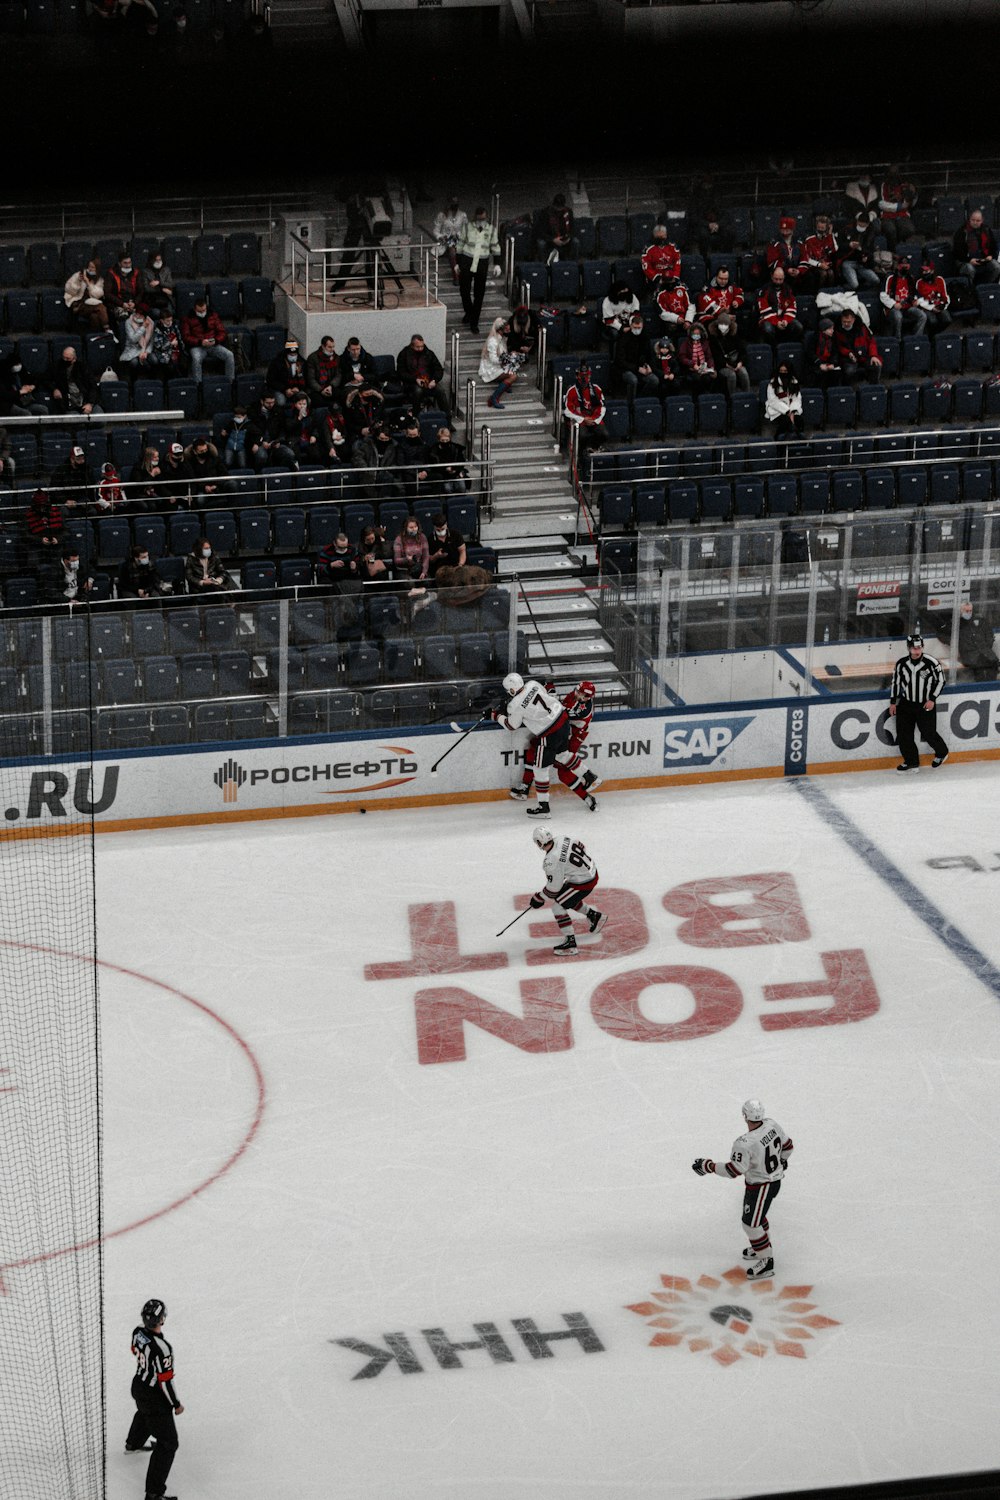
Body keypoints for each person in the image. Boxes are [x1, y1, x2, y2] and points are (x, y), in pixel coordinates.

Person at [692, 1098, 794, 1282]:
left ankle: (766, 1260)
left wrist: (708, 1166)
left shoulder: (744, 1143)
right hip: (771, 1182)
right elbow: (788, 1147)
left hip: (762, 1186)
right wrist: (783, 1161)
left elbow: (733, 1170)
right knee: (758, 1217)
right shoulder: (772, 1125)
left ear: (745, 1116)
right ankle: (760, 1248)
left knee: (750, 1224)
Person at [491, 671, 600, 817]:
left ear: (511, 689)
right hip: (563, 724)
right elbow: (546, 698)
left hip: (555, 733)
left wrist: (495, 715)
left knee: (542, 769)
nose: (578, 695)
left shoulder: (516, 705)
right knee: (554, 753)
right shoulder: (532, 684)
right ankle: (588, 775)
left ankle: (544, 808)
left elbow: (511, 725)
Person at [125, 1297, 183, 1500]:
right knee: (168, 1443)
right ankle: (154, 1492)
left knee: (143, 1411)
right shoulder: (163, 1349)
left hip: (138, 1385)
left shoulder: (137, 1333)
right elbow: (165, 1381)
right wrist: (176, 1404)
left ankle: (133, 1443)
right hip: (154, 1395)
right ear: (162, 1319)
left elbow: (134, 1350)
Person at [527, 826, 607, 956]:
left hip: (583, 882)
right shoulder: (561, 838)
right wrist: (570, 868)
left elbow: (553, 889)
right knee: (565, 897)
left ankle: (570, 944)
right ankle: (594, 916)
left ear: (539, 842)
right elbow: (581, 846)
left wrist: (539, 898)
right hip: (591, 871)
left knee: (557, 907)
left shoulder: (550, 861)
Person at [889, 633, 949, 772]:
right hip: (906, 704)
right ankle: (911, 761)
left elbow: (941, 681)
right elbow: (896, 683)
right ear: (908, 648)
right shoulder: (901, 664)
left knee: (928, 733)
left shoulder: (932, 662)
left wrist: (932, 699)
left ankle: (942, 752)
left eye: (919, 647)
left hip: (925, 704)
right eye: (914, 648)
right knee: (904, 734)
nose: (917, 651)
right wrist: (893, 702)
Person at [455, 206, 502, 336]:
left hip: (482, 262)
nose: (480, 220)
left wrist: (497, 264)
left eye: (483, 218)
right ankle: (469, 312)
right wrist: (457, 263)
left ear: (486, 217)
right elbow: (460, 245)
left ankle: (474, 322)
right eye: (478, 218)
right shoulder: (467, 227)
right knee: (464, 290)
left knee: (479, 294)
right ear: (475, 217)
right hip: (467, 260)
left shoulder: (491, 230)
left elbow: (495, 246)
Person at [180, 295, 235, 385]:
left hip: (213, 344)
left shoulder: (213, 315)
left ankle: (230, 382)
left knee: (229, 355)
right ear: (195, 309)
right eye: (199, 311)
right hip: (197, 346)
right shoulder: (187, 319)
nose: (202, 312)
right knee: (196, 359)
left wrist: (216, 340)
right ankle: (198, 384)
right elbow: (186, 337)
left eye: (204, 310)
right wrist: (200, 342)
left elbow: (222, 332)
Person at [396, 332, 448, 415]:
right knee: (418, 391)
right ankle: (416, 416)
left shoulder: (429, 353)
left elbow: (438, 369)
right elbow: (401, 373)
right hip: (411, 383)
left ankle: (446, 417)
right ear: (412, 345)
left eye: (422, 346)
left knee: (441, 391)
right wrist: (415, 379)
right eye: (418, 347)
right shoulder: (404, 354)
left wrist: (434, 380)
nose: (420, 349)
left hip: (429, 381)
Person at [479, 317, 522, 410]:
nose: (509, 330)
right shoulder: (493, 341)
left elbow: (503, 354)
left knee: (515, 366)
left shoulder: (502, 339)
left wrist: (511, 356)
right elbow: (493, 359)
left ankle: (505, 384)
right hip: (490, 368)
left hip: (499, 365)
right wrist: (505, 360)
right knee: (513, 376)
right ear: (501, 330)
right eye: (507, 328)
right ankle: (494, 397)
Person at [613, 312, 659, 400]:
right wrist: (637, 368)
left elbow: (648, 355)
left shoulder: (645, 337)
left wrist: (648, 366)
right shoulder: (623, 339)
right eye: (635, 328)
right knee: (633, 380)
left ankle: (640, 399)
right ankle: (631, 403)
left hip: (641, 367)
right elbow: (620, 361)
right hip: (625, 368)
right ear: (631, 326)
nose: (637, 330)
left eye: (639, 328)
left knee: (654, 380)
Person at [879, 254, 926, 339]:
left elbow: (916, 294)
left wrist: (916, 301)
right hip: (894, 308)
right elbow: (882, 295)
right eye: (902, 265)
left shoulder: (911, 278)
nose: (904, 267)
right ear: (898, 266)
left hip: (908, 307)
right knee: (898, 316)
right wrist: (894, 304)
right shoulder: (890, 278)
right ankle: (898, 340)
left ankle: (915, 339)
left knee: (922, 315)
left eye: (906, 265)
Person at [47, 345, 102, 416]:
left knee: (99, 417)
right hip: (69, 404)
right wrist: (54, 389)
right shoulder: (57, 366)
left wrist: (90, 404)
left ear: (74, 359)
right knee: (73, 420)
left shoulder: (83, 367)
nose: (65, 360)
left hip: (85, 400)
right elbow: (46, 379)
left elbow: (93, 386)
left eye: (68, 359)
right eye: (63, 358)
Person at [950, 601, 999, 681]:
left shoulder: (980, 621)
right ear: (960, 611)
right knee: (980, 673)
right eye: (966, 611)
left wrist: (985, 647)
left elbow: (989, 636)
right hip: (971, 657)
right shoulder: (956, 624)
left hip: (987, 655)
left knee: (993, 664)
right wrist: (959, 644)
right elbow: (943, 634)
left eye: (970, 611)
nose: (969, 613)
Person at [564, 362, 606, 452]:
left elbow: (602, 407)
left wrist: (594, 419)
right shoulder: (571, 391)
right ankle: (581, 454)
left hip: (594, 419)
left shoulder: (596, 389)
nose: (584, 378)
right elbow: (568, 411)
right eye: (582, 376)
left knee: (604, 434)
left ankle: (595, 448)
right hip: (580, 420)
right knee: (583, 436)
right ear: (577, 376)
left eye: (587, 376)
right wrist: (583, 419)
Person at [756, 265, 803, 347]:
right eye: (776, 279)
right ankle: (774, 348)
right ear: (771, 277)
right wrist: (776, 322)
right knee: (768, 329)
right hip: (768, 318)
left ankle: (786, 346)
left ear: (784, 278)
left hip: (783, 317)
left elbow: (792, 306)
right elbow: (764, 309)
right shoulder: (764, 290)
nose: (778, 282)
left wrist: (785, 320)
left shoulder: (788, 289)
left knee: (798, 327)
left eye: (780, 279)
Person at [952, 208, 1000, 285]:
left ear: (982, 221)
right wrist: (969, 260)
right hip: (966, 261)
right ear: (969, 220)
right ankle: (970, 288)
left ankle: (985, 285)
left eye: (978, 221)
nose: (975, 222)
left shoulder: (987, 230)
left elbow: (993, 246)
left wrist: (991, 256)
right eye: (973, 220)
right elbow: (957, 252)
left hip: (984, 259)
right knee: (969, 269)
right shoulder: (962, 232)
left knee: (996, 267)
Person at [708, 313, 750, 398]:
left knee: (744, 373)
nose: (723, 326)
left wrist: (740, 363)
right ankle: (732, 398)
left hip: (736, 362)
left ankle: (747, 396)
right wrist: (727, 365)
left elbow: (743, 351)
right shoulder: (713, 338)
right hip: (722, 365)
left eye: (725, 324)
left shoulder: (735, 335)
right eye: (721, 324)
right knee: (731, 375)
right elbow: (715, 356)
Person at [64, 258, 110, 332]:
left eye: (93, 267)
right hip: (78, 304)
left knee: (94, 317)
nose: (90, 269)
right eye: (89, 267)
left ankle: (95, 338)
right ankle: (107, 329)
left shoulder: (99, 280)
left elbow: (98, 295)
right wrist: (78, 282)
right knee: (101, 307)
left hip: (91, 305)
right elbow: (68, 290)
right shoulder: (78, 275)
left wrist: (88, 283)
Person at [878, 167, 917, 250]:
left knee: (910, 229)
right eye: (891, 173)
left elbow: (908, 203)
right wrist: (898, 206)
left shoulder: (905, 186)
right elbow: (881, 204)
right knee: (891, 230)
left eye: (895, 173)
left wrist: (911, 194)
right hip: (886, 215)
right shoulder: (883, 185)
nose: (894, 175)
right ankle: (893, 250)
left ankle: (899, 244)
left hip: (902, 215)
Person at [433, 196, 468, 282]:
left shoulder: (463, 215)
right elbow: (435, 230)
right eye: (453, 204)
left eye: (456, 203)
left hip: (459, 239)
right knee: (452, 252)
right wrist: (441, 237)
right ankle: (456, 276)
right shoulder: (442, 215)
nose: (455, 206)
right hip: (446, 240)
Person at [914, 261, 952, 340]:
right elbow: (919, 300)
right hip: (926, 307)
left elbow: (945, 296)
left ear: (932, 271)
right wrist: (931, 308)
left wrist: (943, 306)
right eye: (923, 271)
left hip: (939, 305)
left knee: (947, 320)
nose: (924, 273)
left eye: (926, 271)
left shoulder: (940, 280)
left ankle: (935, 335)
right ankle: (931, 338)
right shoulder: (919, 282)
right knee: (933, 322)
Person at [535, 192, 577, 264]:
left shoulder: (568, 212)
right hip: (550, 238)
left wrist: (568, 237)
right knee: (541, 243)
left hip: (564, 237)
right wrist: (553, 239)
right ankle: (543, 264)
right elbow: (540, 231)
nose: (559, 210)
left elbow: (572, 228)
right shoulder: (545, 213)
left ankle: (572, 264)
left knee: (576, 242)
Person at [765, 362, 803, 439]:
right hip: (777, 409)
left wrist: (792, 411)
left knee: (799, 420)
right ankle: (778, 440)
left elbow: (797, 398)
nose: (783, 373)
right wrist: (787, 411)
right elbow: (773, 401)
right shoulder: (773, 383)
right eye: (781, 371)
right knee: (786, 421)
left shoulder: (794, 382)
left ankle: (799, 441)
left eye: (785, 371)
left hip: (791, 408)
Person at [392, 515, 430, 592]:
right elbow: (396, 560)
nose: (414, 529)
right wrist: (407, 559)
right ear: (405, 528)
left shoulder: (422, 537)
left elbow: (426, 556)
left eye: (415, 527)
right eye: (411, 527)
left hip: (418, 567)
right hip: (403, 570)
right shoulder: (399, 539)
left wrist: (424, 571)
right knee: (410, 584)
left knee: (427, 581)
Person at [677, 322, 718, 391]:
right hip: (691, 369)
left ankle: (705, 396)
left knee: (707, 379)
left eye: (698, 334)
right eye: (694, 334)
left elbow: (709, 357)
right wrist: (692, 364)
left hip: (704, 369)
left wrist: (711, 367)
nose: (696, 336)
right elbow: (682, 357)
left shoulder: (705, 343)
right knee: (696, 379)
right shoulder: (686, 343)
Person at [427, 426, 469, 493]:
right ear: (438, 440)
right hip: (443, 475)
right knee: (447, 489)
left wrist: (455, 469)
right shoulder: (433, 450)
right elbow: (434, 465)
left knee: (462, 487)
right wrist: (445, 469)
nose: (445, 442)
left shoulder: (456, 448)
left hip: (456, 473)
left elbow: (461, 461)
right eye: (442, 440)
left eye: (447, 440)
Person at [640, 224, 681, 292]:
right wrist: (657, 278)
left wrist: (675, 276)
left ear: (666, 235)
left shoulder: (673, 246)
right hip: (655, 279)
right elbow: (646, 266)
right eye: (658, 237)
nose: (661, 240)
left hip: (671, 277)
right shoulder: (647, 248)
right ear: (654, 236)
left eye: (662, 236)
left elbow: (677, 262)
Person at [426, 512, 466, 579]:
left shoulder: (455, 534)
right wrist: (436, 556)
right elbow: (429, 559)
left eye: (442, 529)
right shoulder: (430, 539)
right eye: (438, 530)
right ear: (434, 527)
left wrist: (460, 565)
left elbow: (462, 551)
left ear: (446, 524)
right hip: (439, 569)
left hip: (456, 565)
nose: (441, 531)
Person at [305, 335, 341, 408]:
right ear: (323, 346)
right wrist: (321, 390)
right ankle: (331, 407)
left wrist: (331, 386)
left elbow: (338, 375)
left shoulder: (336, 358)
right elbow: (311, 379)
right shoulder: (313, 358)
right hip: (316, 389)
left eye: (333, 347)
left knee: (340, 394)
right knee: (317, 400)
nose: (332, 349)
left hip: (330, 386)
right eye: (329, 347)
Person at [601, 280, 640, 346]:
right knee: (615, 334)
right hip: (614, 325)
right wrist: (621, 328)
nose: (625, 294)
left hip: (629, 323)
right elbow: (609, 320)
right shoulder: (607, 301)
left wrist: (632, 325)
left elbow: (635, 313)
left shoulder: (633, 297)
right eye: (622, 292)